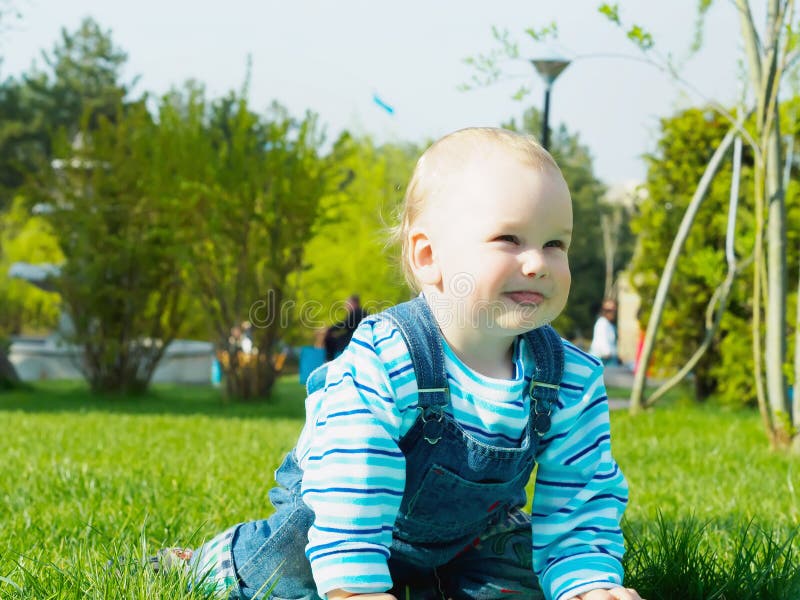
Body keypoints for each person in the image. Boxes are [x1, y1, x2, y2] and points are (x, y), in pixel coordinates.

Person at [167, 128, 639, 600]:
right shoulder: (389, 355)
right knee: (282, 572)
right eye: (509, 239)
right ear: (428, 255)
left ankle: (437, 578)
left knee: (521, 568)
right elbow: (352, 479)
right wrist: (356, 587)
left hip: (467, 533)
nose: (537, 263)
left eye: (556, 244)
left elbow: (580, 497)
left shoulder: (569, 379)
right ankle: (207, 563)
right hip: (336, 516)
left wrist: (588, 584)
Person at [323, 294, 369, 361]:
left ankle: (328, 361)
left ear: (353, 303)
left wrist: (330, 329)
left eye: (347, 303)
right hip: (363, 338)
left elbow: (345, 325)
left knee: (329, 339)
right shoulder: (364, 312)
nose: (346, 306)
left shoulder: (356, 312)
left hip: (354, 339)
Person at [589, 299, 619, 366]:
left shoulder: (609, 324)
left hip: (607, 358)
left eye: (614, 310)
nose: (612, 313)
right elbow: (603, 342)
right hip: (603, 359)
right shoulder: (602, 323)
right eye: (609, 310)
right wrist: (608, 353)